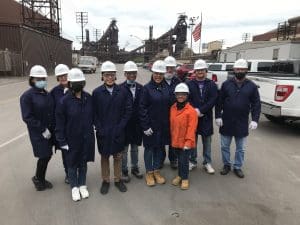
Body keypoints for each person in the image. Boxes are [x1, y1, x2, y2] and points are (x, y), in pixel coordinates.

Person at [215, 59, 261, 178]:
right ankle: (226, 165)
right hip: (227, 121)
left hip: (242, 122)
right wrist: (218, 116)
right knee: (225, 146)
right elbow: (219, 101)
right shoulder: (226, 84)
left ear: (246, 71)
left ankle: (237, 167)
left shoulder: (251, 86)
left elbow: (256, 103)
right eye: (237, 69)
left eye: (242, 69)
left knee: (241, 148)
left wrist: (255, 119)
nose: (239, 71)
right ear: (234, 70)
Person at [92, 61, 132, 195]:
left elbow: (128, 111)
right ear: (102, 76)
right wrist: (99, 128)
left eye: (112, 75)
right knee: (104, 157)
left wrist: (121, 126)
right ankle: (105, 180)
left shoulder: (123, 91)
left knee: (118, 156)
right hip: (103, 131)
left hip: (118, 130)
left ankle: (118, 179)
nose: (109, 77)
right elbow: (94, 113)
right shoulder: (97, 93)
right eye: (106, 75)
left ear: (115, 76)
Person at [55, 68, 95, 201]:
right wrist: (62, 141)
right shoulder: (64, 101)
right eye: (75, 82)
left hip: (86, 137)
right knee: (72, 164)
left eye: (80, 82)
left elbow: (94, 116)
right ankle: (74, 187)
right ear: (70, 83)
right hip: (71, 139)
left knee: (83, 163)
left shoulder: (88, 98)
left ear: (83, 83)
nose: (78, 84)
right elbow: (59, 124)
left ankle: (82, 185)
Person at [20, 65, 54, 191]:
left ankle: (41, 178)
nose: (41, 81)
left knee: (47, 155)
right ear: (32, 79)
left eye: (43, 78)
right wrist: (42, 129)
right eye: (38, 79)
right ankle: (38, 179)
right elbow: (27, 117)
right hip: (38, 133)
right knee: (44, 155)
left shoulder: (47, 94)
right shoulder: (27, 96)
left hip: (49, 131)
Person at [139, 60, 171, 186]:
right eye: (156, 73)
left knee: (159, 148)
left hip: (163, 125)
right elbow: (142, 108)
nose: (158, 76)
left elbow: (171, 105)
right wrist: (145, 126)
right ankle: (149, 172)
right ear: (152, 73)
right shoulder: (146, 89)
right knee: (149, 149)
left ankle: (156, 171)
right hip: (151, 126)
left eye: (161, 74)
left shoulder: (166, 88)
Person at [187, 59, 218, 174]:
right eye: (198, 70)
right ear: (195, 71)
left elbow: (213, 99)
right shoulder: (189, 84)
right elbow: (186, 99)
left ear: (206, 71)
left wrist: (201, 110)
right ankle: (192, 161)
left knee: (207, 142)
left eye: (202, 70)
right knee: (192, 141)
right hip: (192, 117)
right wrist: (193, 111)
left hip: (206, 117)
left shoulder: (211, 85)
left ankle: (207, 162)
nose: (200, 72)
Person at [170, 83, 198, 190]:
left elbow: (192, 129)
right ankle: (180, 175)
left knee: (184, 161)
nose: (180, 96)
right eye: (178, 94)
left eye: (183, 94)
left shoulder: (191, 111)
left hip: (186, 142)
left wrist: (188, 142)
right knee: (179, 160)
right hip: (175, 140)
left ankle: (185, 178)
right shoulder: (172, 108)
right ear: (175, 95)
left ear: (187, 95)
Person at [120, 61, 143, 183]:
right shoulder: (119, 88)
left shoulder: (141, 88)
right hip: (125, 125)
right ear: (125, 74)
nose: (132, 75)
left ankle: (135, 167)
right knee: (124, 149)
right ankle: (124, 170)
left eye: (134, 73)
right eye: (129, 73)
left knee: (135, 148)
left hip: (137, 124)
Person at [50, 64, 70, 184]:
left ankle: (76, 171)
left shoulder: (75, 88)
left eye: (65, 75)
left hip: (74, 127)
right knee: (65, 153)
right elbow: (51, 111)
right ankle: (68, 173)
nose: (63, 77)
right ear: (57, 78)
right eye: (60, 76)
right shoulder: (54, 92)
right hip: (61, 129)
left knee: (76, 151)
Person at [161, 56, 181, 169]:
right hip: (161, 115)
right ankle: (161, 159)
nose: (169, 70)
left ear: (174, 69)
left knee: (174, 138)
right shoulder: (159, 80)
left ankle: (173, 159)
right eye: (167, 68)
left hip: (175, 116)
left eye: (171, 68)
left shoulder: (178, 82)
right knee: (162, 138)